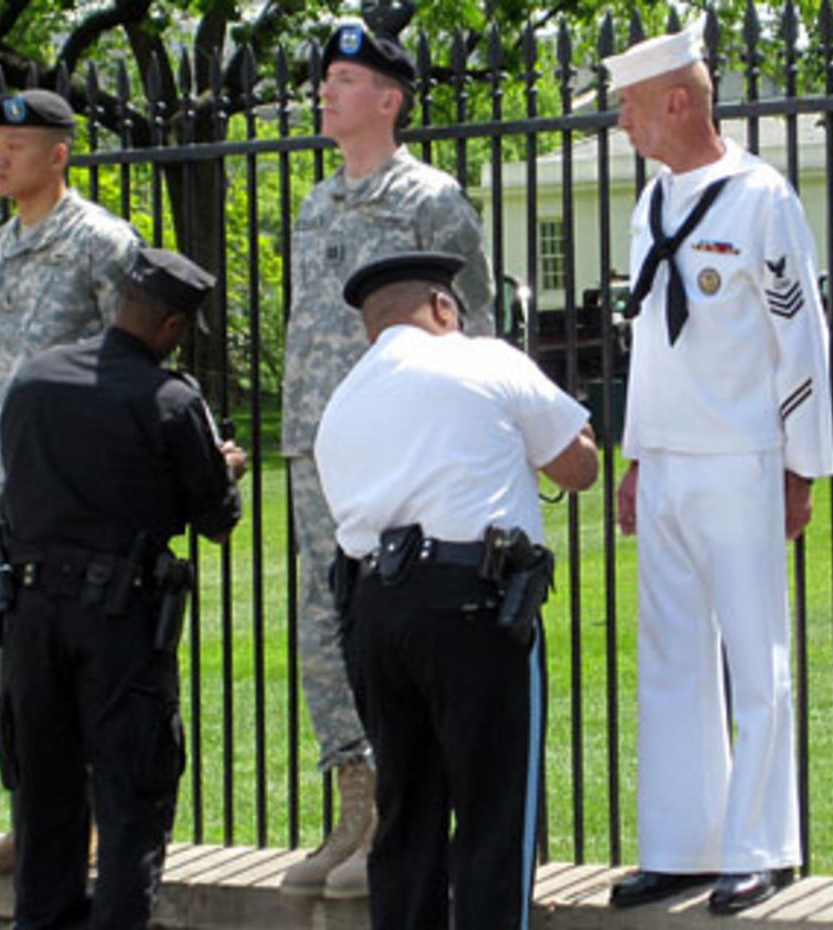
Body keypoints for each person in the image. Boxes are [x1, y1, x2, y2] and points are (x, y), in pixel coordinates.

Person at [603, 26, 833, 915]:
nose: (621, 119)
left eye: (630, 102)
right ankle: (682, 843)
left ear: (677, 100)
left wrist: (801, 468)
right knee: (670, 660)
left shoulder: (760, 199)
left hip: (742, 458)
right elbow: (649, 345)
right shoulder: (651, 202)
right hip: (664, 460)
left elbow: (800, 339)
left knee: (754, 656)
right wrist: (633, 457)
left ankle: (761, 845)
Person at [314, 251, 598, 929]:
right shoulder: (485, 359)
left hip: (374, 609)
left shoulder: (341, 401)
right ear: (444, 307)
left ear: (370, 329)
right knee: (494, 810)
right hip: (473, 600)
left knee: (406, 811)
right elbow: (579, 464)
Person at [279, 21, 495, 899]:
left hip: (402, 450)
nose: (325, 92)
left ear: (390, 99)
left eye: (342, 78)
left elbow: (474, 324)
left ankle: (405, 823)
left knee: (394, 629)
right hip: (316, 446)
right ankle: (355, 808)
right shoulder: (315, 204)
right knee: (326, 629)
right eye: (324, 79)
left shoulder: (431, 199)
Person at [0, 248, 247, 929]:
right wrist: (225, 467)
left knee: (45, 794)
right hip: (118, 618)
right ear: (171, 326)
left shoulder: (34, 378)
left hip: (29, 611)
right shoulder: (168, 400)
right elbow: (213, 519)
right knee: (132, 796)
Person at [0, 87, 142, 874]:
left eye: (16, 142)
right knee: (7, 656)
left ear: (60, 153)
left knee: (78, 656)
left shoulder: (101, 243)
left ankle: (96, 819)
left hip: (68, 489)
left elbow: (133, 362)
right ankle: (34, 815)